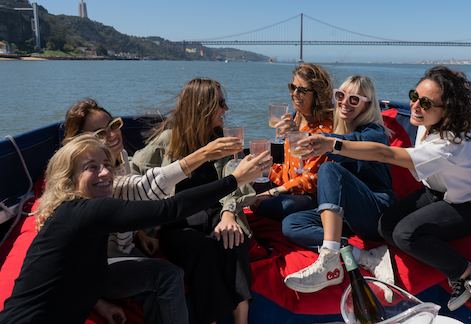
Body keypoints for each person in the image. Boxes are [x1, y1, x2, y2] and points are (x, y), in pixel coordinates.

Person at [298, 66, 471, 324]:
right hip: (434, 193)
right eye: (414, 96)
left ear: (447, 109)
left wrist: (333, 144)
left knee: (405, 234)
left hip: (465, 208)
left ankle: (470, 274)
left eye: (425, 102)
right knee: (386, 224)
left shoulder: (448, 145)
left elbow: (387, 154)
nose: (415, 105)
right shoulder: (427, 123)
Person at [0, 134, 270, 324]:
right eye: (91, 168)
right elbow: (169, 209)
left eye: (107, 165)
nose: (105, 173)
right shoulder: (86, 211)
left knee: (164, 274)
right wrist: (234, 180)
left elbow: (75, 270)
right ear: (69, 179)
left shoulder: (77, 211)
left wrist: (100, 303)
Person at [62, 98, 245, 323]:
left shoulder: (121, 159)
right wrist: (207, 156)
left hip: (121, 250)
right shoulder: (84, 181)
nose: (111, 135)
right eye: (100, 133)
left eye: (113, 125)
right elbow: (143, 189)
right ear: (78, 141)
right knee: (169, 276)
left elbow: (125, 206)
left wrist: (138, 234)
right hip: (95, 263)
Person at [131, 78, 256, 324]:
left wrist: (229, 214)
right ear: (202, 107)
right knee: (204, 251)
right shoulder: (169, 140)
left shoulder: (221, 138)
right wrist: (140, 231)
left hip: (216, 214)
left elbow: (236, 180)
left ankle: (242, 321)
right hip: (177, 221)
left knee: (234, 240)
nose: (226, 110)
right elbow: (136, 175)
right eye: (220, 103)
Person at [282, 75, 394, 294]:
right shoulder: (342, 130)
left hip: (376, 212)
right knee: (291, 224)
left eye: (354, 99)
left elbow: (355, 144)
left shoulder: (375, 133)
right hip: (349, 215)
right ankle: (365, 256)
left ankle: (330, 258)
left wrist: (328, 143)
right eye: (340, 96)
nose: (344, 103)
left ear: (367, 104)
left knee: (329, 169)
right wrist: (294, 134)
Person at [252, 63, 334, 221]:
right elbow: (282, 163)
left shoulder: (325, 130)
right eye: (292, 87)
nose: (294, 94)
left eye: (302, 90)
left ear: (317, 95)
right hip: (284, 185)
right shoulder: (295, 117)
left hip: (307, 195)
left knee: (279, 206)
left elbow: (310, 180)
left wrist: (271, 193)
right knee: (237, 182)